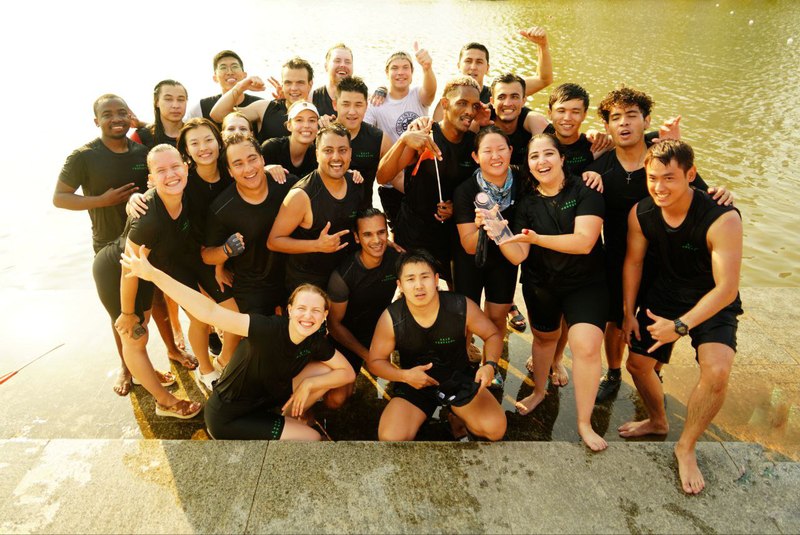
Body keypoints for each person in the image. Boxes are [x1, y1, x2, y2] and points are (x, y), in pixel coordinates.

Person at [586, 87, 731, 402]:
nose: (624, 123)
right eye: (616, 118)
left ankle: (656, 369)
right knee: (617, 320)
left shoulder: (663, 161)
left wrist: (722, 193)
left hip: (667, 261)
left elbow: (700, 194)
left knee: (659, 320)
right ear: (607, 126)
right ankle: (613, 371)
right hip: (619, 257)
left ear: (646, 120)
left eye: (632, 116)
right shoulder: (599, 169)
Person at [122, 247, 356, 440]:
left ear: (325, 315)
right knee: (312, 438)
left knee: (325, 371)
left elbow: (347, 373)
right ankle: (280, 425)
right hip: (230, 416)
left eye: (316, 310)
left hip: (266, 399)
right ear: (290, 310)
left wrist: (310, 385)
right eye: (302, 308)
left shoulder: (314, 339)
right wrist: (154, 275)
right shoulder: (265, 328)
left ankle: (287, 417)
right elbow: (210, 311)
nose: (308, 316)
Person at [620, 140, 742, 494]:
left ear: (691, 175)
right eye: (652, 178)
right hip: (666, 294)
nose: (659, 187)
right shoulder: (642, 213)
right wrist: (628, 313)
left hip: (712, 299)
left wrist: (681, 326)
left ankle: (686, 446)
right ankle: (657, 421)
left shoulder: (722, 217)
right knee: (637, 365)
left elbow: (727, 288)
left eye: (669, 178)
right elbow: (634, 262)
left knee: (717, 371)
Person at [493, 133, 609, 451]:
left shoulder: (585, 190)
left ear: (562, 158)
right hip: (541, 283)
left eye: (548, 154)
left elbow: (584, 242)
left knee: (586, 347)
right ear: (528, 165)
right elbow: (520, 255)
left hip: (585, 283)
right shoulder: (526, 203)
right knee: (544, 339)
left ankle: (584, 423)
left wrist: (536, 239)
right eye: (534, 157)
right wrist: (499, 233)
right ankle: (539, 391)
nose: (541, 161)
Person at [92, 145, 213, 418]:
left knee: (143, 328)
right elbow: (128, 267)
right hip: (116, 271)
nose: (170, 175)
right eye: (161, 170)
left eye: (175, 167)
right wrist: (126, 313)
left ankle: (143, 374)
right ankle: (164, 402)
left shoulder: (184, 197)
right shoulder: (149, 218)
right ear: (151, 178)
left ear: (186, 168)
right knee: (135, 336)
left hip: (145, 271)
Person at [54, 94, 149, 395]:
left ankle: (142, 363)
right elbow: (60, 198)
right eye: (107, 114)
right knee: (119, 312)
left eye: (122, 112)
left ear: (130, 116)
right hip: (107, 245)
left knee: (144, 308)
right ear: (97, 121)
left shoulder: (142, 152)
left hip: (143, 243)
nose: (116, 119)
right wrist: (102, 201)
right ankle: (126, 368)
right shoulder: (83, 156)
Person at [367, 250, 506, 442]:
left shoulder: (460, 305)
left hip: (458, 378)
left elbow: (492, 334)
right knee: (391, 437)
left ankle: (456, 416)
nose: (418, 285)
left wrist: (489, 365)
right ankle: (420, 419)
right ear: (400, 285)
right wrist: (404, 376)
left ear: (436, 279)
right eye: (410, 279)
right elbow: (375, 361)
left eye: (425, 277)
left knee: (495, 429)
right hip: (414, 383)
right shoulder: (391, 317)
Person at [376, 76, 482, 282]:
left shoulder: (474, 143)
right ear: (445, 104)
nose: (469, 111)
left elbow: (481, 189)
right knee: (415, 293)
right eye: (462, 103)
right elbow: (382, 177)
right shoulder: (425, 134)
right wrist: (403, 140)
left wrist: (458, 208)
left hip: (453, 235)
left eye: (474, 106)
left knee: (454, 296)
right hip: (415, 235)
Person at [203, 133, 296, 327]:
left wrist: (352, 174)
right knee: (259, 338)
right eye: (238, 164)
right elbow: (206, 255)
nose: (248, 168)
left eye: (252, 159)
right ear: (230, 171)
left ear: (262, 159)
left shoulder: (287, 185)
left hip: (292, 276)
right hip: (253, 287)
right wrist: (226, 250)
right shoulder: (222, 208)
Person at [453, 127, 522, 367]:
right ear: (475, 156)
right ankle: (462, 361)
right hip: (470, 260)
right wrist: (481, 225)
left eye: (501, 149)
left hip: (506, 258)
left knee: (497, 316)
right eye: (487, 151)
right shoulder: (465, 191)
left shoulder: (523, 181)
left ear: (510, 151)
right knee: (466, 317)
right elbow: (468, 245)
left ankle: (490, 365)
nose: (495, 156)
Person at [268, 123, 364, 291]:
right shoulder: (301, 195)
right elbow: (274, 242)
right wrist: (317, 245)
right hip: (307, 282)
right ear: (317, 154)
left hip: (342, 274)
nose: (336, 157)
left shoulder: (355, 182)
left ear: (350, 153)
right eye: (328, 150)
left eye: (342, 150)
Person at [326, 209, 400, 405]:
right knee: (336, 399)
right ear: (357, 238)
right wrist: (368, 356)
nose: (376, 240)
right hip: (350, 336)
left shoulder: (397, 258)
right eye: (368, 234)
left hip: (382, 329)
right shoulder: (343, 276)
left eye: (381, 232)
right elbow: (334, 325)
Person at [365, 46, 437, 224]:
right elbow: (364, 130)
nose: (400, 73)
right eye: (395, 68)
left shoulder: (417, 95)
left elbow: (430, 91)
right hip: (392, 180)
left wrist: (427, 68)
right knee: (399, 231)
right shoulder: (376, 103)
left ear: (412, 73)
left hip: (420, 173)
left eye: (405, 68)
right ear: (387, 72)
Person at [431, 27, 553, 120]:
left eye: (479, 62)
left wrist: (542, 45)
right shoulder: (447, 100)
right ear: (459, 66)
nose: (473, 67)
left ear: (487, 68)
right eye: (468, 61)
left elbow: (543, 79)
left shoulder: (500, 93)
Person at [210, 57, 315, 143]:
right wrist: (241, 86)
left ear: (310, 85)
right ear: (282, 85)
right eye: (288, 83)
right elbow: (218, 115)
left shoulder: (319, 116)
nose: (294, 88)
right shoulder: (265, 108)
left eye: (300, 83)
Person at [330, 76, 392, 210]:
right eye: (346, 104)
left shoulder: (379, 138)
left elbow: (396, 178)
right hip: (326, 214)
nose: (352, 112)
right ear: (335, 104)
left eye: (358, 105)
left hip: (363, 215)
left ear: (366, 106)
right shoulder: (321, 136)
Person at [185, 50, 263, 126]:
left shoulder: (260, 104)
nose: (230, 72)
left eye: (235, 66)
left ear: (244, 75)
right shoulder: (202, 107)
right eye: (223, 68)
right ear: (215, 78)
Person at [261, 101, 319, 182]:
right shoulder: (271, 148)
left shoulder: (317, 155)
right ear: (289, 125)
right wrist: (264, 169)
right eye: (299, 120)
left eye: (312, 120)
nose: (306, 125)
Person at [131, 80, 187, 148]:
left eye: (181, 100)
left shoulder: (194, 133)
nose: (176, 105)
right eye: (168, 99)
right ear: (157, 102)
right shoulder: (141, 137)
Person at [312, 44, 354, 117]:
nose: (343, 65)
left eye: (347, 62)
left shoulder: (362, 98)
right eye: (337, 61)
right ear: (326, 66)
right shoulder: (312, 97)